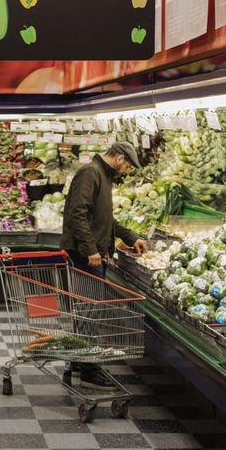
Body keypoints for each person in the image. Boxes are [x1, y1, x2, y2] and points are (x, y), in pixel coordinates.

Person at [59, 141, 149, 387]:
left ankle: (79, 361)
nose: (126, 171)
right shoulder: (90, 173)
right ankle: (88, 371)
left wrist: (131, 237)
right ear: (120, 158)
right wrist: (91, 249)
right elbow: (77, 213)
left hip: (91, 250)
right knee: (90, 310)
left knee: (87, 309)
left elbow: (104, 219)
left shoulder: (101, 175)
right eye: (128, 165)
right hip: (85, 253)